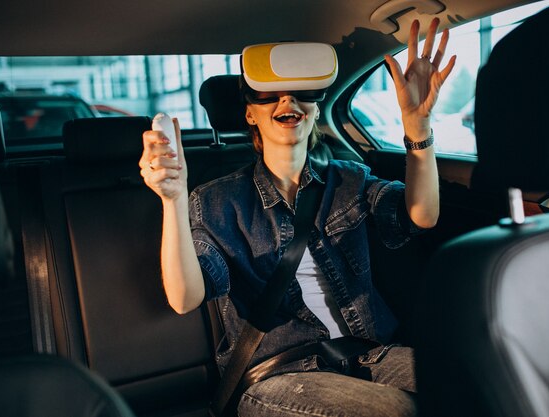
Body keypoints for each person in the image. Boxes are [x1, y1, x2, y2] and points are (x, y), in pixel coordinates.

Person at [140, 17, 455, 417]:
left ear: (315, 106)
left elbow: (421, 217)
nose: (286, 102)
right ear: (250, 115)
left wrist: (418, 127)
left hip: (371, 356)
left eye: (300, 92)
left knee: (479, 381)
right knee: (398, 412)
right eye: (269, 96)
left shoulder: (348, 178)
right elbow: (186, 298)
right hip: (280, 375)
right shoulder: (217, 201)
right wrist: (172, 199)